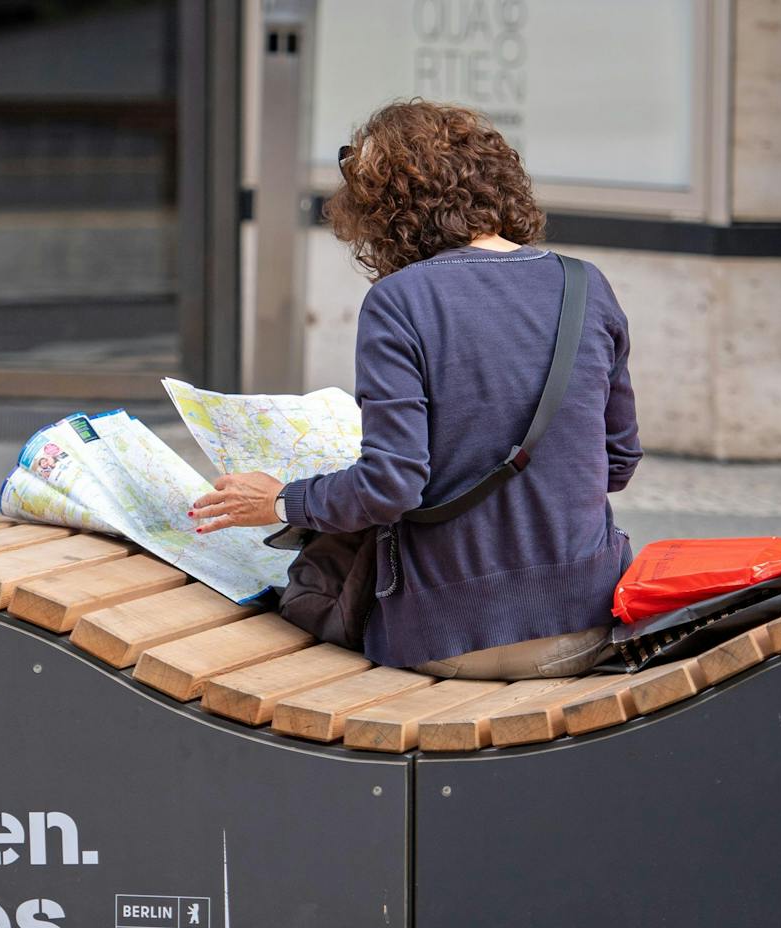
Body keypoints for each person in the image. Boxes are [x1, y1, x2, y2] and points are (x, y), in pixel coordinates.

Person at [189, 100, 641, 679]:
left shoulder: (399, 301)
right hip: (586, 623)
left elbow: (390, 487)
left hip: (445, 634)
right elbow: (619, 461)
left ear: (384, 212)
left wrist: (279, 499)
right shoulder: (585, 285)